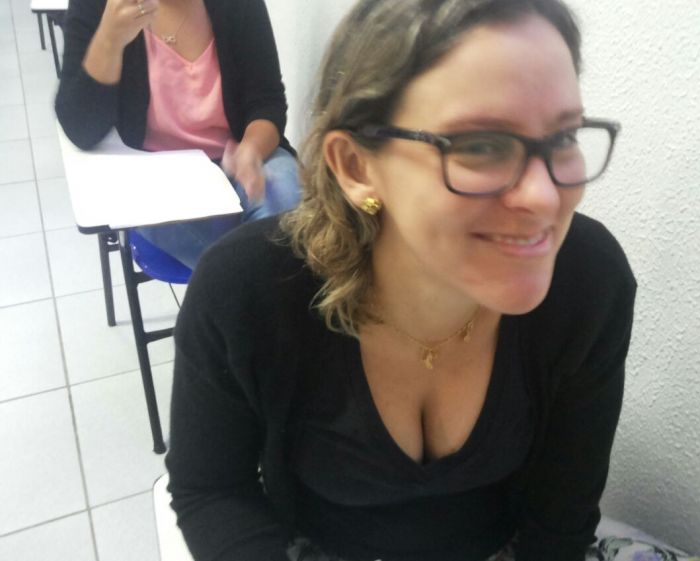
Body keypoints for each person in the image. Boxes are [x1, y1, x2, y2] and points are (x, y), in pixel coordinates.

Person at [166, 0, 636, 560]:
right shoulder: (247, 291)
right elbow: (213, 490)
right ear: (356, 166)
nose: (544, 197)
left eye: (563, 137)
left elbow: (561, 515)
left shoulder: (588, 282)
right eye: (481, 145)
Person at [55, 0, 300, 269]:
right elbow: (81, 130)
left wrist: (252, 148)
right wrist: (110, 39)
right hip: (154, 175)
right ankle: (258, 283)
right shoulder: (99, 5)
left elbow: (267, 101)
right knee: (276, 256)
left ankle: (249, 284)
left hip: (240, 154)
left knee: (287, 201)